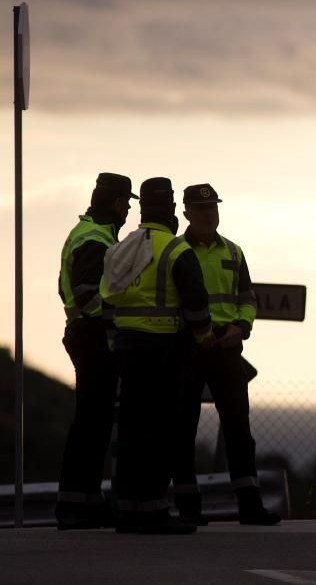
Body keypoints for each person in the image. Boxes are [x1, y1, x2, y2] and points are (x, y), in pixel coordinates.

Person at [100, 177, 215, 534]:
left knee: (132, 433)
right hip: (165, 351)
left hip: (128, 351)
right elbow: (196, 304)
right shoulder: (176, 250)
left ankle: (129, 510)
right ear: (170, 210)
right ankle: (153, 511)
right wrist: (203, 337)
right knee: (161, 433)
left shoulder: (123, 248)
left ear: (142, 208)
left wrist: (114, 342)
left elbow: (106, 299)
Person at [170, 183, 280, 526]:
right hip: (189, 347)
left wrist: (240, 328)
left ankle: (249, 505)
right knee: (183, 428)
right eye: (201, 209)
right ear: (186, 212)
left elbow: (247, 298)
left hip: (227, 348)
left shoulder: (233, 252)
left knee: (239, 429)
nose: (208, 214)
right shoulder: (175, 252)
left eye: (213, 208)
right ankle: (189, 508)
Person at [54, 173, 136, 530]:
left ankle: (85, 501)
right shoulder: (95, 239)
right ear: (117, 203)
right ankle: (74, 505)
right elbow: (88, 294)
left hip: (86, 333)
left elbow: (68, 289)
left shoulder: (89, 233)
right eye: (127, 202)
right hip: (94, 336)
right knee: (91, 423)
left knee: (96, 422)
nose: (130, 208)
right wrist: (119, 316)